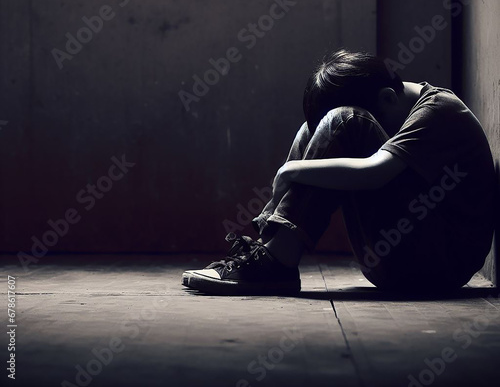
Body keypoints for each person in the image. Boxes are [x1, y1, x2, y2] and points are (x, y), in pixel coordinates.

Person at [182, 50, 496, 295]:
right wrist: (299, 166)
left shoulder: (440, 111)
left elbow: (375, 172)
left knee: (345, 121)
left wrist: (292, 170)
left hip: (437, 267)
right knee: (313, 130)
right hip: (399, 257)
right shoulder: (403, 105)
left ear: (387, 98)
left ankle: (276, 263)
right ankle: (272, 252)